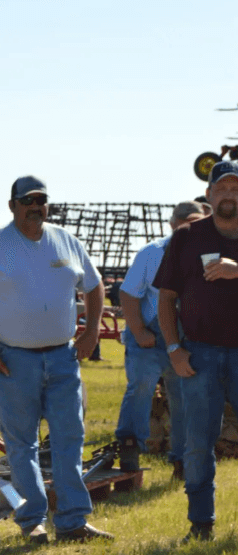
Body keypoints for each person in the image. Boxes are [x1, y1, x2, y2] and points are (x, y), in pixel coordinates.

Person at [0, 176, 113, 544]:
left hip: (62, 357)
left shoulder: (65, 240)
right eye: (27, 200)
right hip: (13, 359)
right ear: (12, 205)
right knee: (21, 442)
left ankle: (73, 521)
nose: (35, 206)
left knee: (69, 438)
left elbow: (93, 286)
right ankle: (32, 521)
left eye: (41, 200)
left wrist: (91, 332)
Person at [154, 161, 238, 543]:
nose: (230, 195)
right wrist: (174, 348)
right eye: (222, 188)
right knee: (198, 445)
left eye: (236, 188)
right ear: (208, 195)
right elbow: (166, 298)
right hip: (199, 354)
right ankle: (201, 525)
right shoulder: (187, 237)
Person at [114, 200, 205, 479]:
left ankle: (181, 458)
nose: (191, 228)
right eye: (186, 222)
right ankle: (130, 444)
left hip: (183, 338)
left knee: (182, 397)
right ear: (173, 224)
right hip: (150, 337)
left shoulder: (207, 255)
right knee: (141, 386)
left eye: (197, 222)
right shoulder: (152, 253)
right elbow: (129, 294)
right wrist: (140, 331)